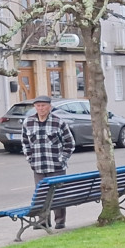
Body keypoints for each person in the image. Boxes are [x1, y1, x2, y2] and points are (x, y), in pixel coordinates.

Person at [22, 95, 75, 229]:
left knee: (58, 195)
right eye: (38, 106)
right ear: (35, 107)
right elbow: (25, 143)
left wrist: (62, 159)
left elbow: (70, 143)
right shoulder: (28, 122)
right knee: (41, 195)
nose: (41, 108)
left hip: (56, 167)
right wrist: (30, 158)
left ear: (49, 107)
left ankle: (60, 221)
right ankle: (43, 221)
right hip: (38, 167)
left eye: (43, 105)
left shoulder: (58, 122)